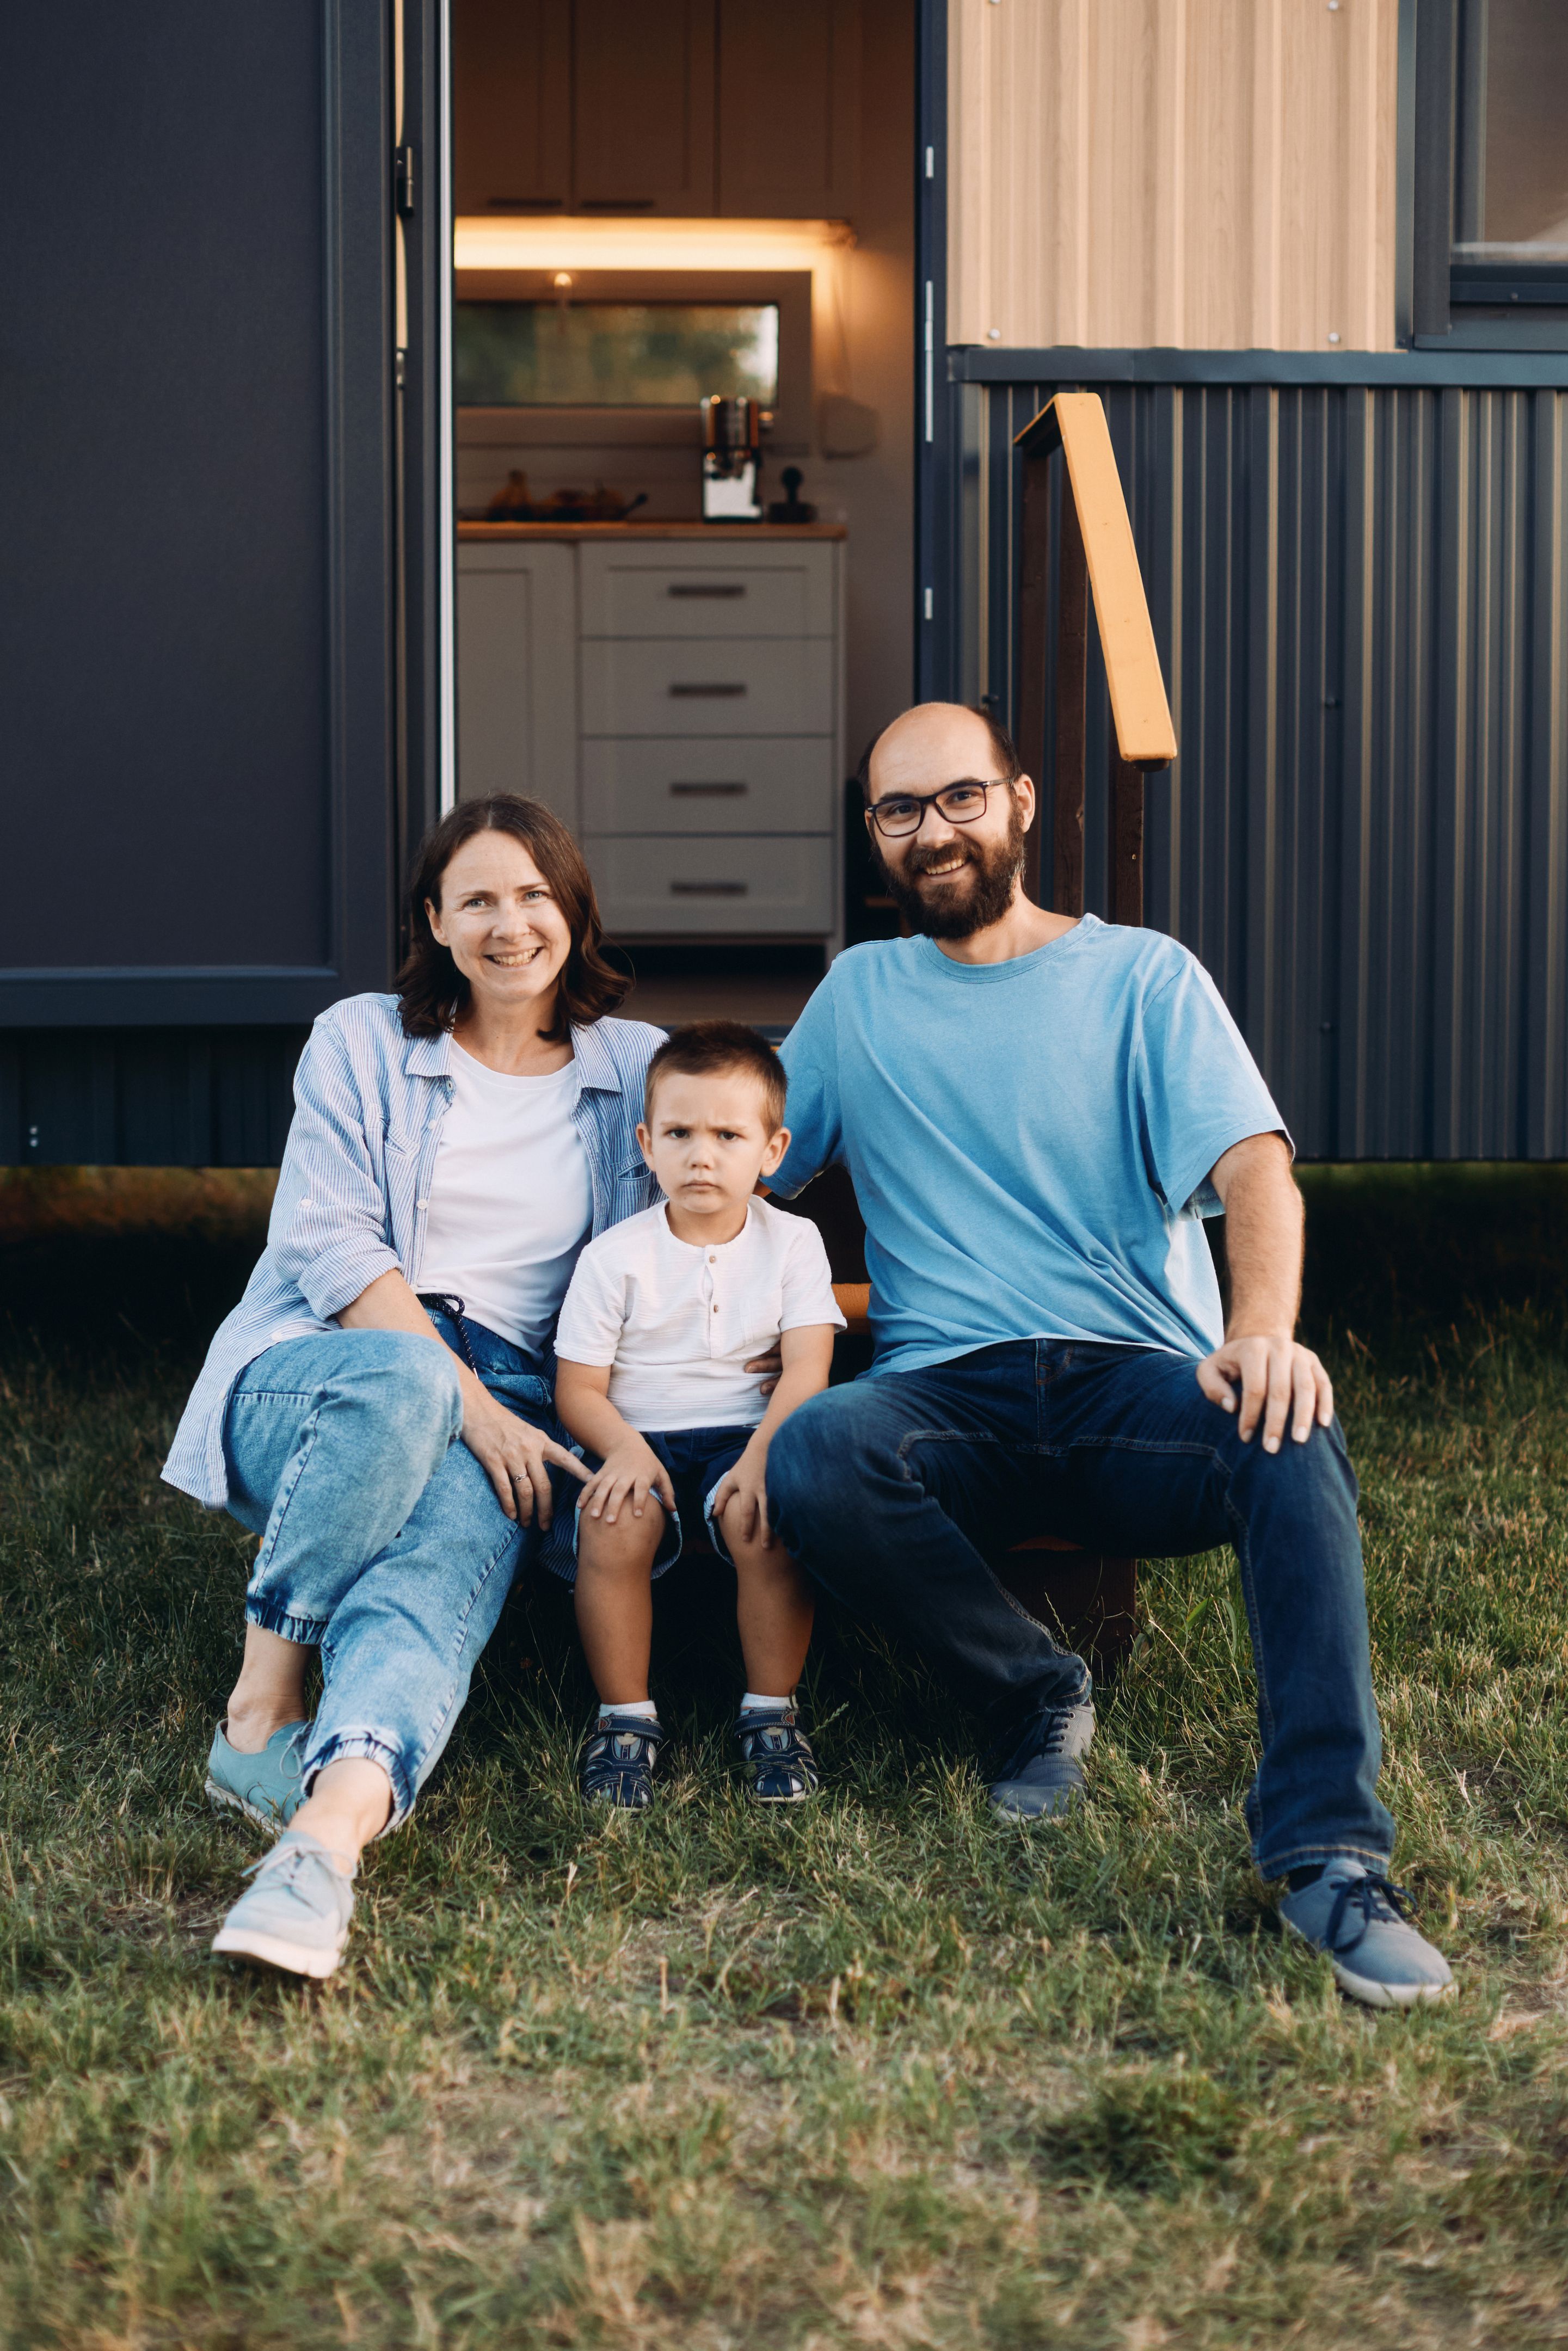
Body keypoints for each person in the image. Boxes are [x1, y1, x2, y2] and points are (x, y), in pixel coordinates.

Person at [763, 701, 1454, 2010]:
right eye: (899, 811)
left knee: (1288, 1430)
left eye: (960, 797)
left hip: (1139, 1383)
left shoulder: (1143, 976)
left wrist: (1259, 1337)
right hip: (946, 1398)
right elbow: (747, 1167)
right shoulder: (858, 997)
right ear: (875, 838)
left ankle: (1330, 1859)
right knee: (814, 1453)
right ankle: (1034, 1693)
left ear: (1022, 803)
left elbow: (1256, 1171)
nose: (933, 832)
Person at [162, 795, 664, 1979]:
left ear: (573, 911)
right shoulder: (360, 1040)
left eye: (534, 894)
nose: (509, 923)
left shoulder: (632, 1067)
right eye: (477, 899)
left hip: (518, 1397)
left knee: (434, 1561)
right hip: (326, 1360)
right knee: (402, 1383)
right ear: (435, 922)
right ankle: (260, 1695)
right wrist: (470, 1403)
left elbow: (724, 1187)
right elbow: (329, 1246)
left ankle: (323, 1839)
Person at [554, 1021, 844, 1810]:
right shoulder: (616, 1255)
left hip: (750, 1435)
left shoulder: (793, 1243)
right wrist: (621, 1451)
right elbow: (577, 1388)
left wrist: (758, 1461)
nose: (701, 1155)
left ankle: (769, 1715)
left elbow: (808, 1367)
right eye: (679, 1133)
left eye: (727, 1134)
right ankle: (624, 1720)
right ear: (646, 1143)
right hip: (638, 1437)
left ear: (773, 1149)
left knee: (763, 1520)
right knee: (614, 1524)